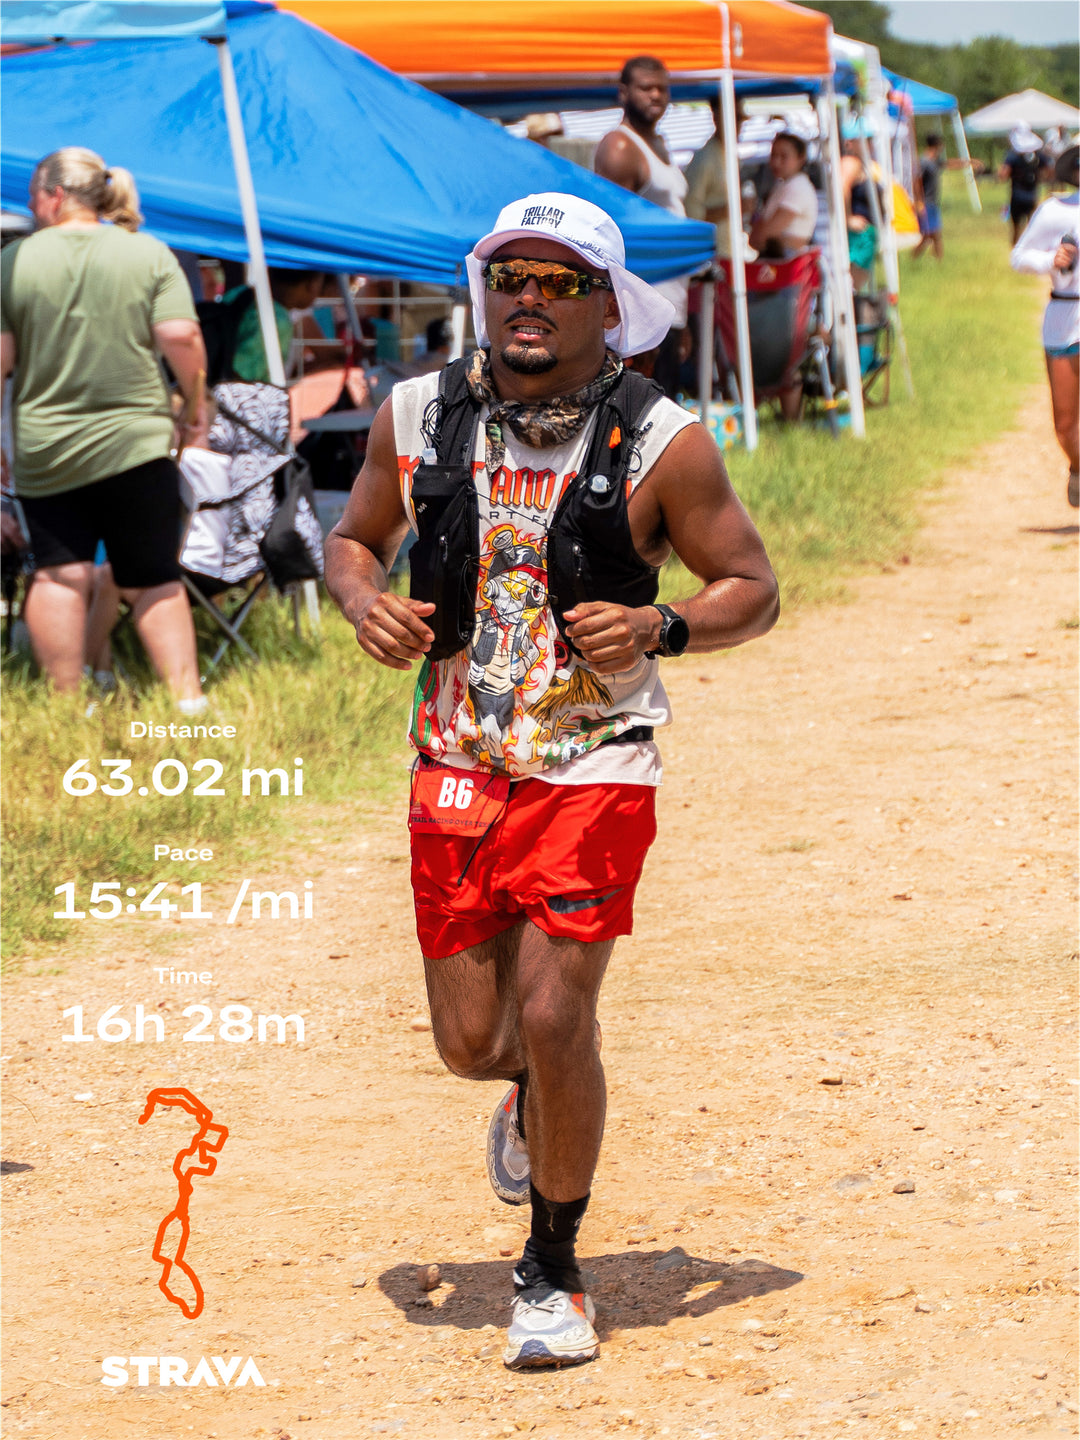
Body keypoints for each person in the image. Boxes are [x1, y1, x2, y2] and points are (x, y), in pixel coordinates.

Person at [325, 192, 779, 1370]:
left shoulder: (664, 441)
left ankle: (553, 1270)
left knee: (554, 1010)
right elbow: (353, 538)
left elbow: (753, 587)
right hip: (458, 757)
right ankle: (533, 1095)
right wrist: (365, 600)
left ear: (607, 306)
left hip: (595, 760)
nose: (531, 299)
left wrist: (662, 626)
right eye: (511, 277)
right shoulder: (418, 414)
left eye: (563, 282)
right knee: (473, 1041)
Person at [0, 147, 206, 703]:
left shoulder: (12, 261)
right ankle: (188, 703)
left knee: (58, 573)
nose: (30, 206)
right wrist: (194, 406)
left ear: (54, 195)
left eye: (32, 195)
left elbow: (0, 360)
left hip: (46, 446)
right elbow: (181, 336)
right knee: (153, 576)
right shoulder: (147, 252)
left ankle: (68, 707)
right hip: (136, 443)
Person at [594, 56, 691, 396]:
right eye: (646, 88)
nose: (656, 95)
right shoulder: (620, 147)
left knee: (666, 410)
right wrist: (627, 316)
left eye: (662, 88)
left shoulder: (659, 144)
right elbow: (613, 238)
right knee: (639, 411)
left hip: (671, 300)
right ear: (624, 92)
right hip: (641, 310)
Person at [1010, 145, 1079, 507]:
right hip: (1065, 317)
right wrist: (1051, 259)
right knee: (1065, 427)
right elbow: (1019, 256)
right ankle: (1078, 466)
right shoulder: (1055, 211)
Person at [747, 132, 817, 259]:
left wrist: (764, 236)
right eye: (773, 155)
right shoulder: (782, 185)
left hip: (786, 260)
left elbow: (764, 236)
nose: (776, 162)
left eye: (784, 157)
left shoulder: (797, 187)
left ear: (801, 158)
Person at [999, 126, 1047, 247]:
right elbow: (1048, 169)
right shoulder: (1036, 154)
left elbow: (1003, 175)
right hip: (1032, 195)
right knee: (1033, 226)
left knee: (1016, 228)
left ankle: (1015, 250)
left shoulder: (1013, 155)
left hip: (1017, 195)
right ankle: (1032, 248)